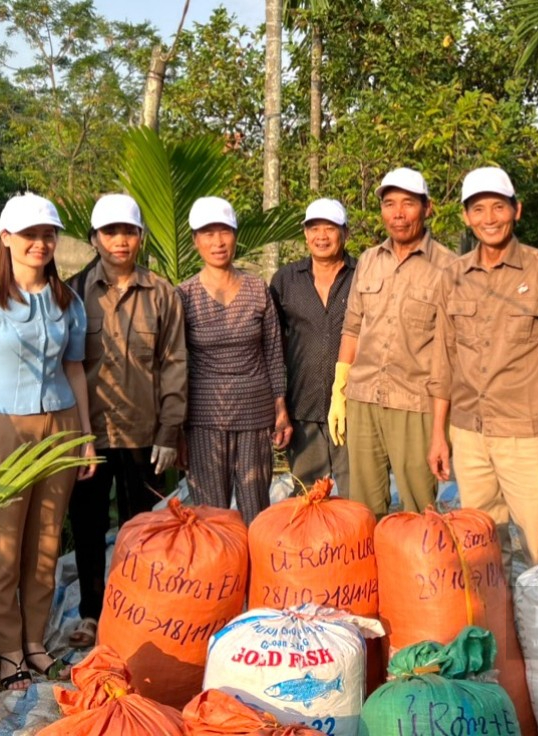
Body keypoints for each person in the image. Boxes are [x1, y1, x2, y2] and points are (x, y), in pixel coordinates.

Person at [0, 193, 96, 690]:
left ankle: (36, 641)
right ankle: (8, 647)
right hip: (4, 429)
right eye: (30, 234)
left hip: (58, 427)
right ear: (6, 238)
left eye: (48, 234)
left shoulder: (67, 301)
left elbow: (74, 370)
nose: (41, 243)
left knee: (48, 541)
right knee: (3, 544)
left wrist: (85, 439)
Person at [426, 167, 538, 567]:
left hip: (526, 436)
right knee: (481, 550)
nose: (489, 218)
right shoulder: (453, 276)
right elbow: (443, 360)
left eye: (498, 207)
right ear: (465, 216)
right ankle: (497, 629)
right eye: (478, 209)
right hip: (469, 434)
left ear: (517, 210)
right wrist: (438, 435)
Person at [64, 193, 187, 649]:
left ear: (140, 237)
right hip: (89, 436)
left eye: (128, 232)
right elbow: (63, 366)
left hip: (145, 434)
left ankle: (142, 609)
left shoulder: (162, 294)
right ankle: (93, 614)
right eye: (110, 232)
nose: (120, 240)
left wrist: (170, 430)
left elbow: (175, 363)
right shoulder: (73, 292)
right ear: (95, 239)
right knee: (90, 527)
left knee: (145, 529)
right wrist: (73, 438)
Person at [330, 167, 456, 516]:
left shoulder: (449, 267)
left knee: (420, 510)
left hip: (414, 403)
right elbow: (352, 327)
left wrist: (441, 427)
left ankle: (417, 570)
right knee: (363, 508)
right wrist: (339, 388)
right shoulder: (369, 261)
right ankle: (371, 571)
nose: (398, 214)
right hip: (363, 398)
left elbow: (450, 350)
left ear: (428, 208)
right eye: (389, 204)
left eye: (408, 204)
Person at [178, 196, 291, 525]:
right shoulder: (183, 296)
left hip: (255, 415)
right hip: (204, 417)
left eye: (224, 232)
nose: (217, 242)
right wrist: (176, 427)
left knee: (256, 509)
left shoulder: (257, 289)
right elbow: (174, 364)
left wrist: (280, 407)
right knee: (210, 515)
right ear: (195, 240)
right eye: (208, 233)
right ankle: (219, 577)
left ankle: (256, 576)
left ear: (236, 236)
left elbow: (272, 351)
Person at [270, 198, 356, 494]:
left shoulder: (363, 276)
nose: (322, 236)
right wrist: (278, 404)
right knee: (308, 498)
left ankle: (355, 544)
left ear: (345, 233)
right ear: (305, 234)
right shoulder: (285, 280)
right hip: (302, 407)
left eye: (330, 228)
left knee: (356, 498)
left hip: (352, 408)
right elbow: (273, 343)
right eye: (314, 228)